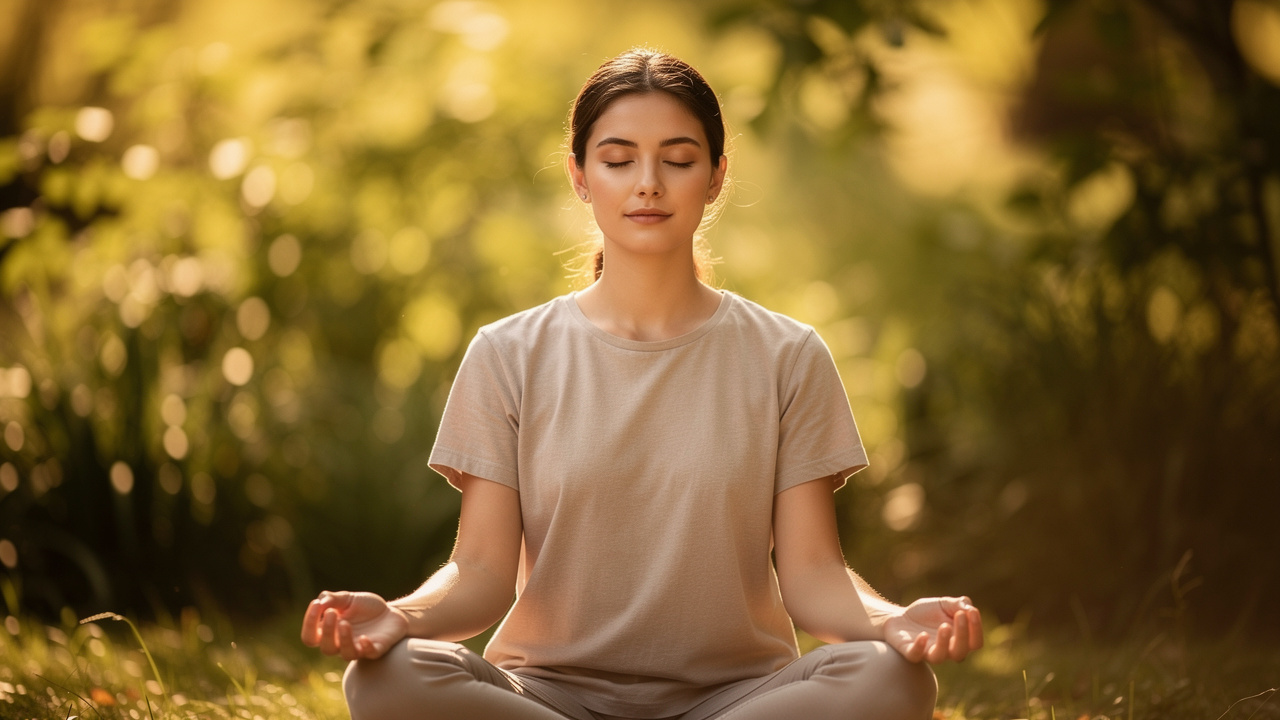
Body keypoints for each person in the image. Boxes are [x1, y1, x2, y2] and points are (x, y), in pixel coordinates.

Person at [301, 48, 983, 720]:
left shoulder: (788, 356)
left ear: (716, 176)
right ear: (579, 175)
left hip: (739, 700)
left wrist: (894, 622)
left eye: (678, 160)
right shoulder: (507, 354)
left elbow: (812, 576)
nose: (648, 183)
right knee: (386, 677)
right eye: (619, 160)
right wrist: (398, 616)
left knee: (893, 679)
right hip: (546, 698)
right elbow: (480, 573)